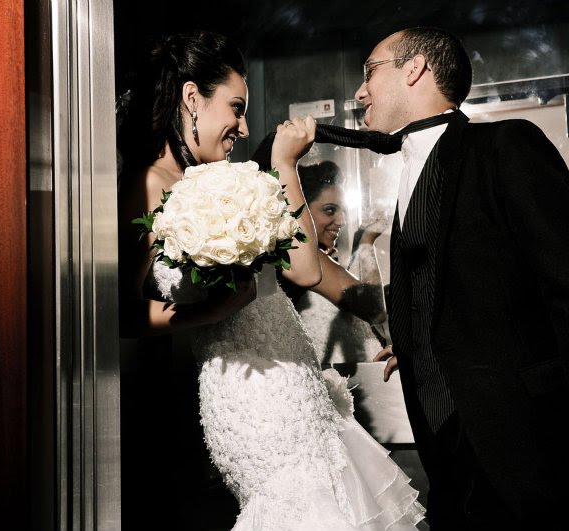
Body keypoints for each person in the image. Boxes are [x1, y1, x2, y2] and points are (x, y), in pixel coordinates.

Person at [117, 30, 425, 530]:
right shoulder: (149, 186)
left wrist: (284, 164)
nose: (243, 127)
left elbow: (306, 268)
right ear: (192, 98)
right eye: (236, 108)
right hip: (251, 400)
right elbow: (118, 314)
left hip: (299, 384)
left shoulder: (231, 180)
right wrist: (208, 312)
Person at [353, 26, 569, 530]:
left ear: (415, 68)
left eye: (370, 72)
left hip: (527, 435)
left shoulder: (506, 145)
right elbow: (463, 278)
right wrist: (419, 339)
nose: (361, 91)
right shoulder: (407, 171)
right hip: (446, 443)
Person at [279, 160, 390, 365]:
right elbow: (375, 310)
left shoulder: (296, 254)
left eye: (343, 211)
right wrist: (366, 241)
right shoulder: (302, 257)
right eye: (330, 210)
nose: (342, 221)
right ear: (302, 211)